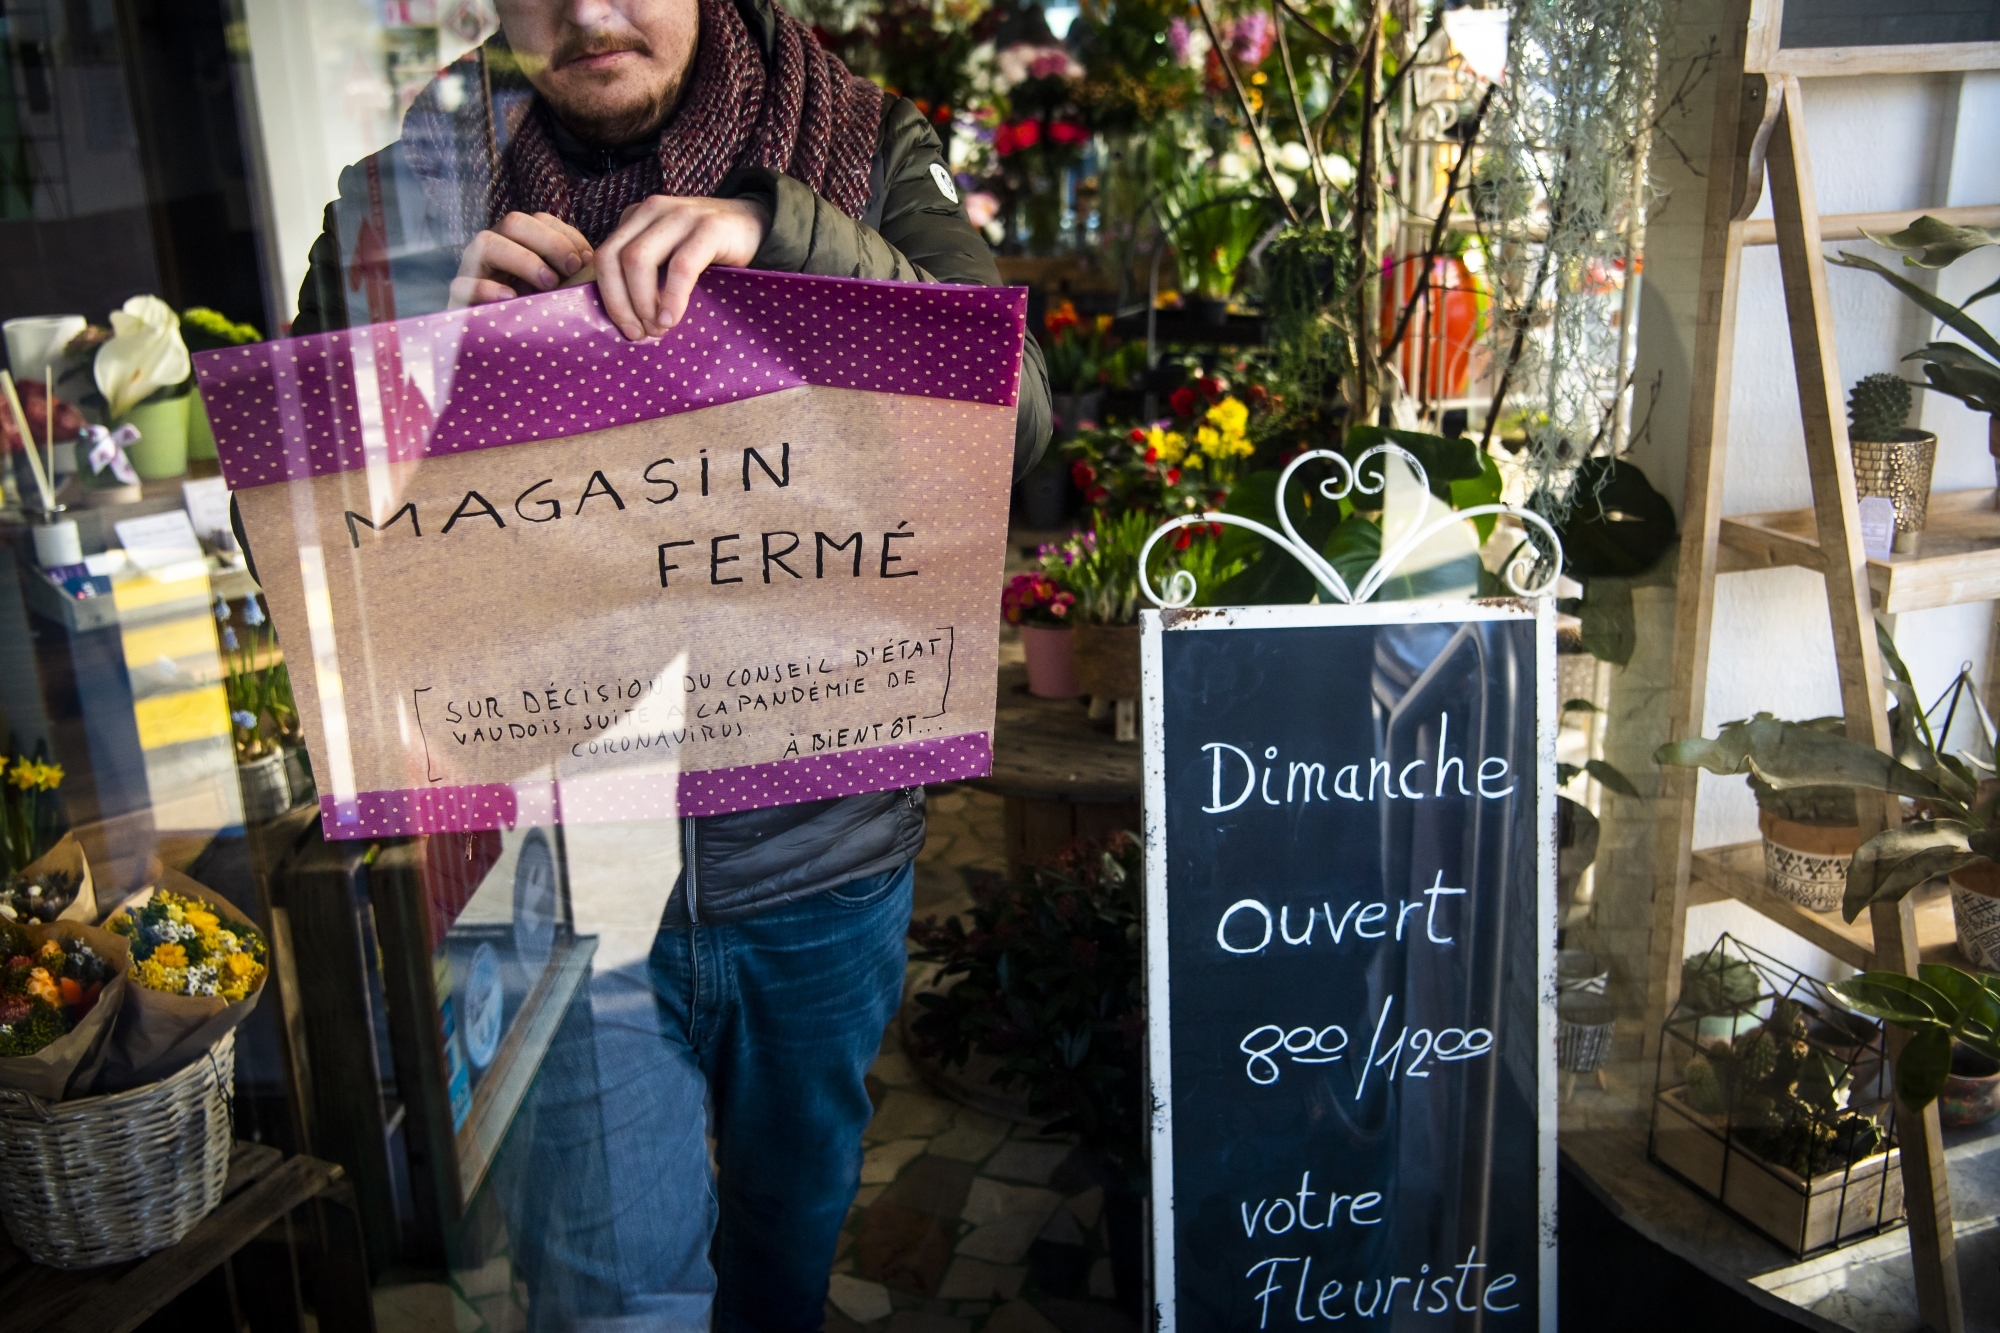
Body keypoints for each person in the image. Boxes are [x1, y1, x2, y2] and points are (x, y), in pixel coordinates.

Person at [292, 2, 1051, 1329]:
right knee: (614, 1301)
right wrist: (412, 346)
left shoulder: (858, 143)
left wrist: (787, 233)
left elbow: (1018, 407)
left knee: (787, 1247)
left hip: (821, 858)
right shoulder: (394, 201)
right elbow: (303, 542)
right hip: (551, 880)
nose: (587, 11)